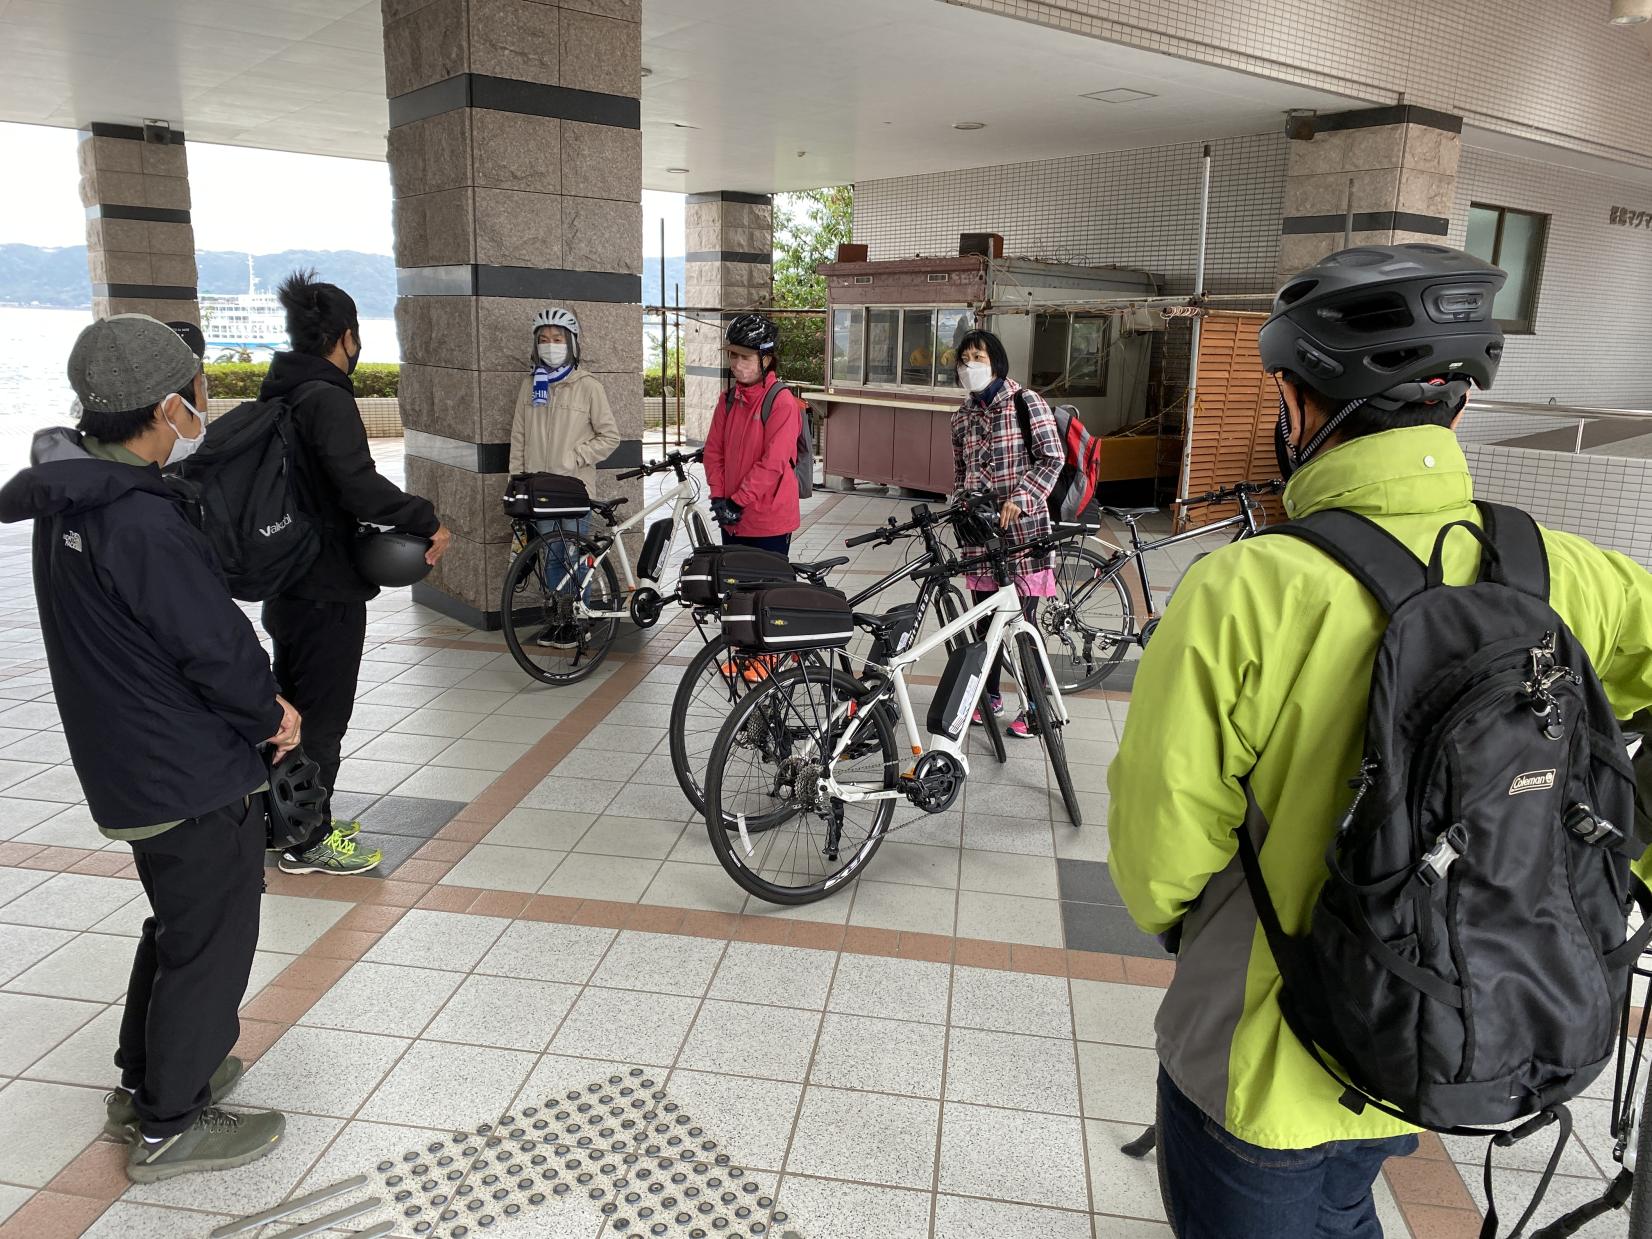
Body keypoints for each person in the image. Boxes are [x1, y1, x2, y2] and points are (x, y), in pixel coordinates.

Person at [1107, 244, 1652, 1238]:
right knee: (1346, 1200)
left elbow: (1158, 854)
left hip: (1263, 1056)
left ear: (1294, 402)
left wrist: (1202, 930)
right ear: (1458, 406)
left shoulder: (1245, 590)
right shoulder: (1556, 571)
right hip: (1442, 1022)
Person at [0, 314, 300, 1182]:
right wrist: (269, 714)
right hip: (185, 768)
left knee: (178, 924)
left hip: (131, 760)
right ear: (169, 407)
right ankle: (172, 1120)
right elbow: (211, 644)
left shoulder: (71, 501)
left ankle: (149, 1079)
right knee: (211, 937)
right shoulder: (139, 520)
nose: (202, 410)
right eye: (197, 395)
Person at [261, 270, 450, 877]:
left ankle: (277, 824)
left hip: (284, 577)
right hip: (326, 586)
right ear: (345, 336)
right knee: (321, 715)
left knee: (287, 708)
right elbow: (359, 486)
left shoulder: (279, 393)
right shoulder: (327, 398)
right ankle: (308, 838)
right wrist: (425, 518)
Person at [949, 328, 1064, 739]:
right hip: (981, 536)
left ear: (996, 361)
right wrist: (959, 504)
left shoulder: (1024, 402)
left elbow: (1053, 457)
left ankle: (1035, 708)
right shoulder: (961, 418)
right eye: (963, 360)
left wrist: (1022, 496)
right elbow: (961, 473)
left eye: (977, 357)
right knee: (984, 621)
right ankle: (989, 696)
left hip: (1025, 531)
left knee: (1023, 623)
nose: (969, 366)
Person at [507, 306, 619, 647]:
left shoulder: (588, 386)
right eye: (543, 339)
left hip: (572, 490)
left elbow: (609, 436)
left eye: (557, 339)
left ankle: (578, 622)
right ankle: (559, 621)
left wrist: (575, 457)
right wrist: (516, 483)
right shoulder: (530, 385)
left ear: (571, 343)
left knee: (572, 556)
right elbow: (519, 438)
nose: (550, 345)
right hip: (539, 491)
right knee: (550, 556)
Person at [703, 312, 802, 556]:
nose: (736, 364)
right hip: (732, 518)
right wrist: (719, 497)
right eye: (732, 355)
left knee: (766, 591)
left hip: (768, 520)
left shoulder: (782, 402)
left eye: (745, 357)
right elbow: (713, 453)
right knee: (734, 590)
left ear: (766, 359)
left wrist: (738, 501)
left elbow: (773, 463)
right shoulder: (727, 401)